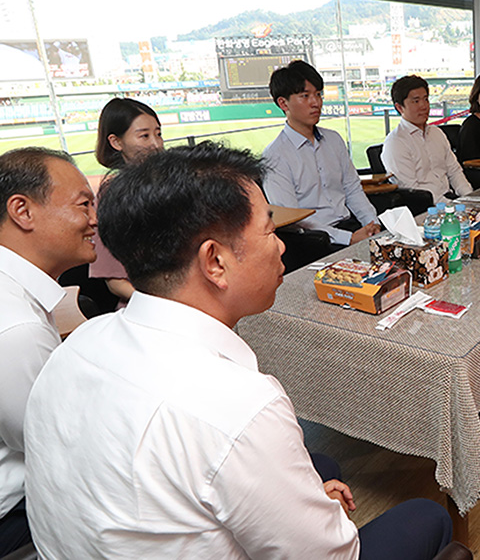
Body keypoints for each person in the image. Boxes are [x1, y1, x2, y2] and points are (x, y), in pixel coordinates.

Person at [23, 143, 453, 559]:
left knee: (321, 468)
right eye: (269, 230)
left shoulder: (78, 342)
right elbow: (333, 554)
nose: (282, 245)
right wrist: (327, 520)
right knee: (426, 515)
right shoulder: (241, 407)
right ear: (215, 262)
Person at [0, 147, 97, 555]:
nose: (95, 220)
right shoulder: (18, 327)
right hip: (14, 513)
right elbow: (55, 445)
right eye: (83, 205)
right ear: (22, 211)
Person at [262, 60, 380, 251]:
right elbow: (292, 219)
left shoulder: (333, 140)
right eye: (305, 96)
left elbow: (352, 189)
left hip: (351, 226)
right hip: (315, 241)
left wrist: (372, 223)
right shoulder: (274, 156)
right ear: (283, 103)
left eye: (318, 94)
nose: (316, 102)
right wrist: (348, 238)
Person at [90, 98, 164, 305]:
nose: (156, 144)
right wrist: (162, 306)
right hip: (146, 308)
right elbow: (115, 281)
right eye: (144, 136)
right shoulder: (112, 196)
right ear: (116, 142)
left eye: (159, 134)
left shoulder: (170, 185)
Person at [382, 75, 473, 204]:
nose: (424, 106)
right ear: (399, 107)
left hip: (451, 200)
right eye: (416, 101)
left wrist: (470, 198)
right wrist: (454, 206)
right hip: (426, 208)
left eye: (426, 99)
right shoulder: (395, 143)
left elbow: (454, 171)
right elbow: (413, 191)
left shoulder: (437, 133)